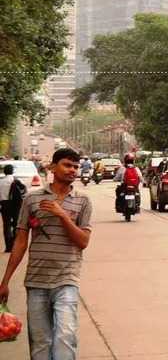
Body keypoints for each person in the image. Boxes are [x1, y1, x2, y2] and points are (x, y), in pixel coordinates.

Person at [0, 148, 93, 360]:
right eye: (67, 165)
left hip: (66, 279)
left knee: (65, 337)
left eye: (76, 167)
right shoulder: (32, 199)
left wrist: (62, 215)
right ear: (52, 167)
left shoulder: (83, 200)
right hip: (36, 281)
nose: (72, 170)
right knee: (40, 342)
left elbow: (83, 241)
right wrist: (5, 280)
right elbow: (21, 241)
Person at [1, 164, 25, 252]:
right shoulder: (17, 180)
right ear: (12, 171)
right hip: (16, 204)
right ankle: (15, 244)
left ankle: (8, 247)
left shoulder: (1, 182)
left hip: (4, 204)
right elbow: (23, 191)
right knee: (16, 224)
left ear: (4, 172)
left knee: (6, 225)